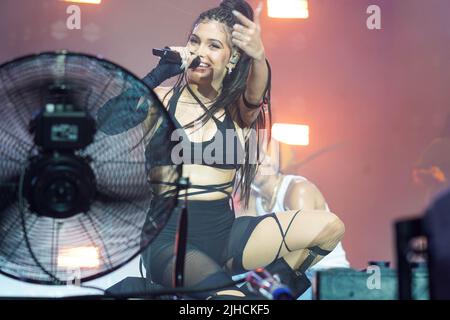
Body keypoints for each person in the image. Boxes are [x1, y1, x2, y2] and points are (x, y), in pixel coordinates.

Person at [98, 0, 345, 300]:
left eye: (213, 45)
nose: (200, 51)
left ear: (231, 58)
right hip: (169, 239)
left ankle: (256, 294)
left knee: (329, 227)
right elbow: (108, 123)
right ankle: (239, 298)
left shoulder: (238, 112)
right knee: (230, 301)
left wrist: (259, 54)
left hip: (224, 233)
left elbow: (257, 88)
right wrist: (158, 73)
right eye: (195, 41)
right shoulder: (162, 99)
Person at [236, 155, 350, 299]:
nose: (250, 167)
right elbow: (244, 247)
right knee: (234, 280)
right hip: (289, 271)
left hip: (323, 272)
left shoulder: (297, 189)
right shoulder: (253, 198)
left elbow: (304, 247)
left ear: (270, 163)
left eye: (255, 161)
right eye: (243, 165)